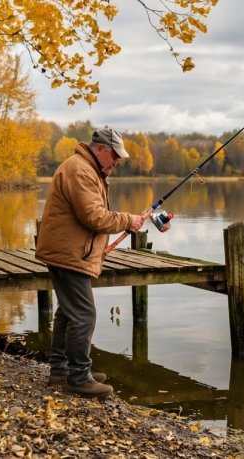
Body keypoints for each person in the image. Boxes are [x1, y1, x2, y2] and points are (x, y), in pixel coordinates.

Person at [35, 127, 148, 398]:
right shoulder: (80, 170)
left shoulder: (86, 168)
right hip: (68, 254)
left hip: (69, 251)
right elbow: (94, 216)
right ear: (100, 150)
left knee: (68, 312)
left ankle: (61, 370)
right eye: (114, 156)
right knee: (84, 314)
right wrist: (127, 220)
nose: (116, 162)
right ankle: (78, 376)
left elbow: (91, 217)